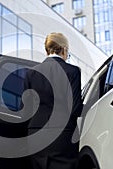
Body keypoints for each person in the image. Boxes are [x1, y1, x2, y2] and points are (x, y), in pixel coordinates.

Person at [23, 32, 83, 169]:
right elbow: (75, 109)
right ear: (64, 50)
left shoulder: (31, 73)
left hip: (35, 134)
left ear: (47, 50)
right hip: (63, 135)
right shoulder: (72, 71)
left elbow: (26, 111)